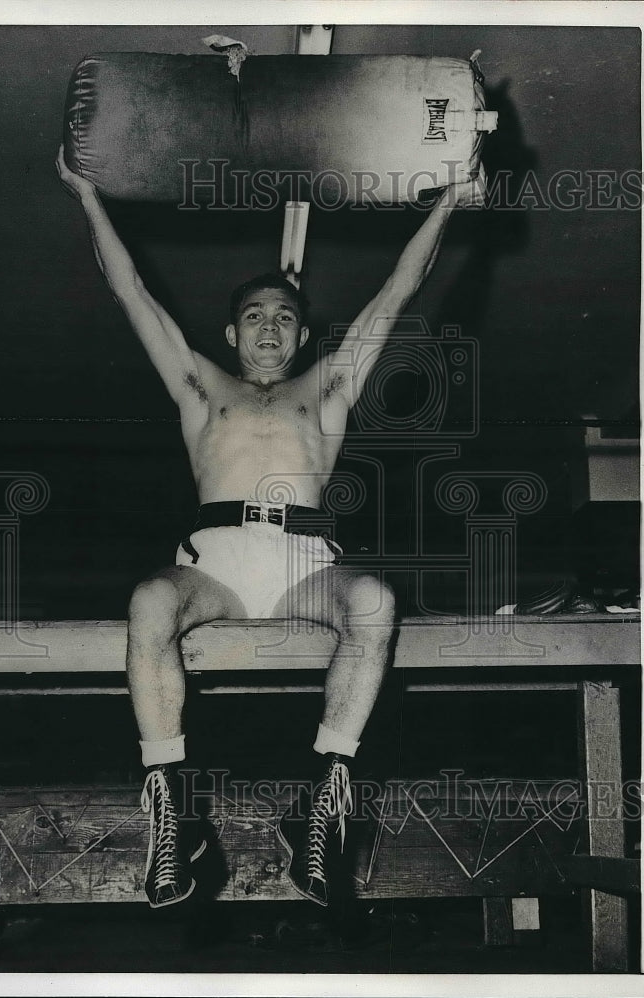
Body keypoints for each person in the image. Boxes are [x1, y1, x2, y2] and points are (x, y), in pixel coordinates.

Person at [56, 145, 484, 909]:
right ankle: (175, 812)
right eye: (253, 315)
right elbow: (131, 292)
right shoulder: (200, 387)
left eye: (285, 317)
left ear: (301, 335)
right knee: (149, 603)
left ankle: (320, 802)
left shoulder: (325, 390)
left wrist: (448, 200)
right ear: (230, 334)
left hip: (304, 557)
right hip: (214, 560)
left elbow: (397, 291)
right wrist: (87, 194)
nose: (268, 327)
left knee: (376, 603)